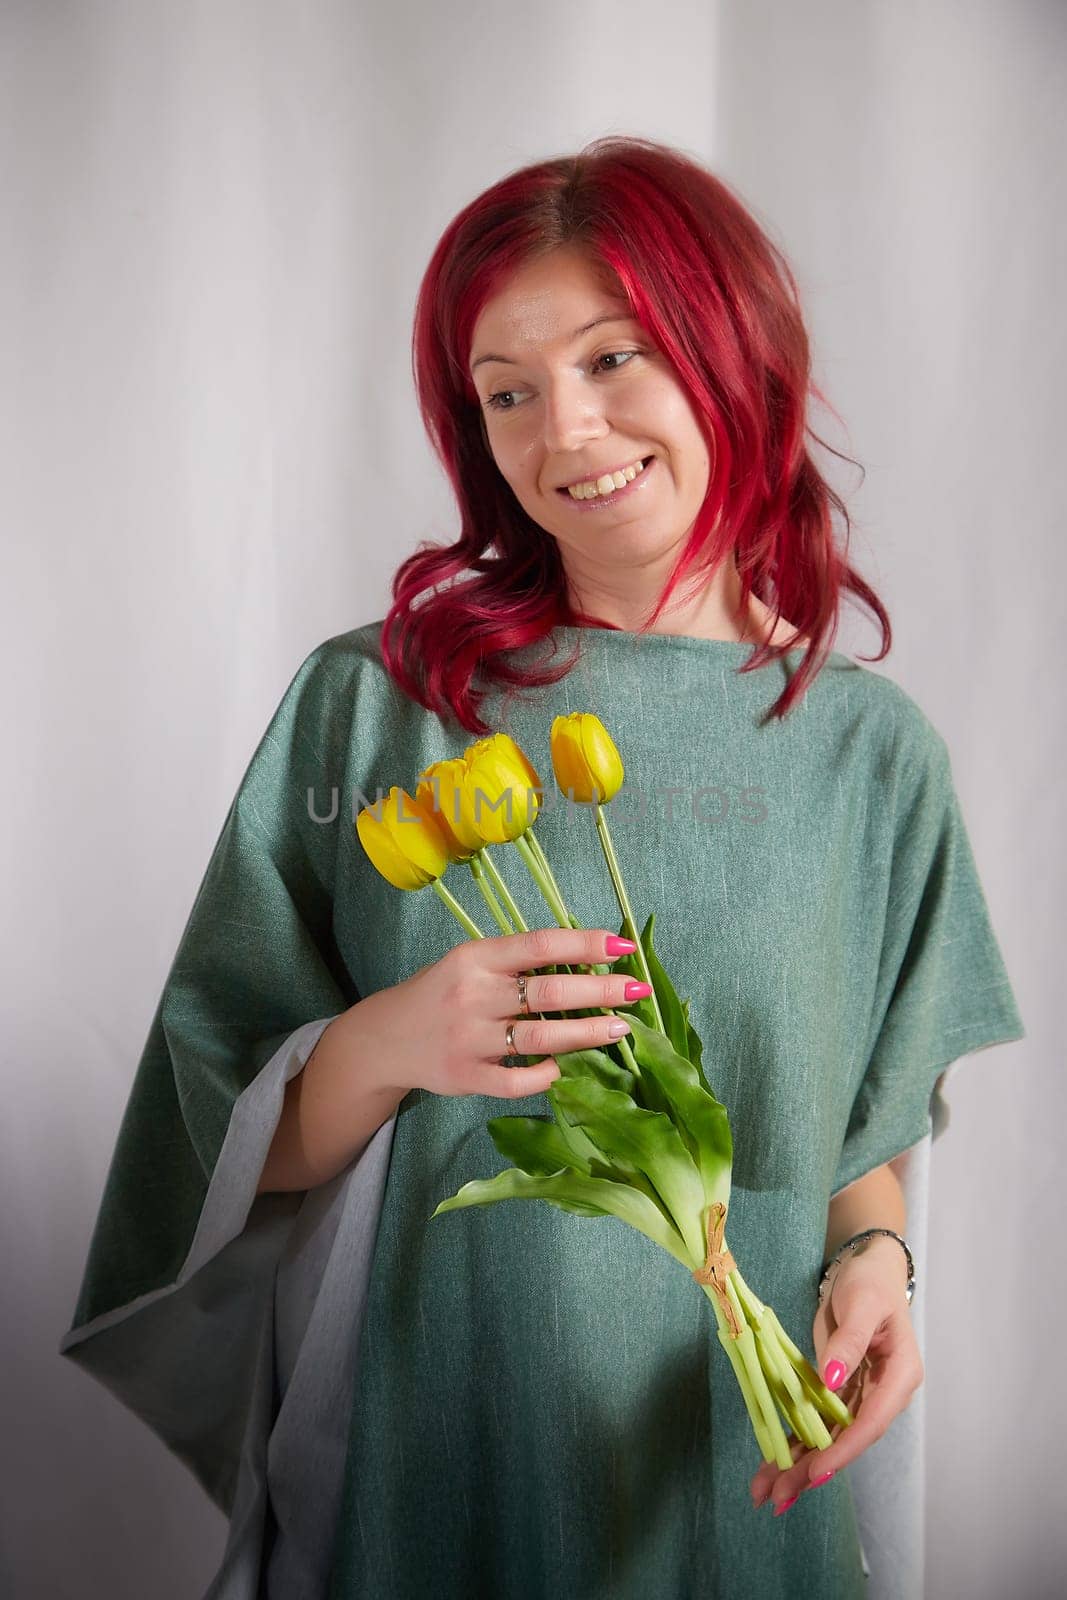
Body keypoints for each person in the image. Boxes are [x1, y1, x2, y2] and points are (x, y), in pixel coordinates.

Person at [60, 137, 1024, 1600]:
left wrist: (877, 1263)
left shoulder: (872, 756)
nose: (563, 430)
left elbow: (863, 1120)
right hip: (431, 1448)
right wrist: (392, 1041)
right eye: (506, 391)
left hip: (736, 1473)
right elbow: (205, 1138)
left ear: (731, 351)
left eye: (613, 358)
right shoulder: (375, 705)